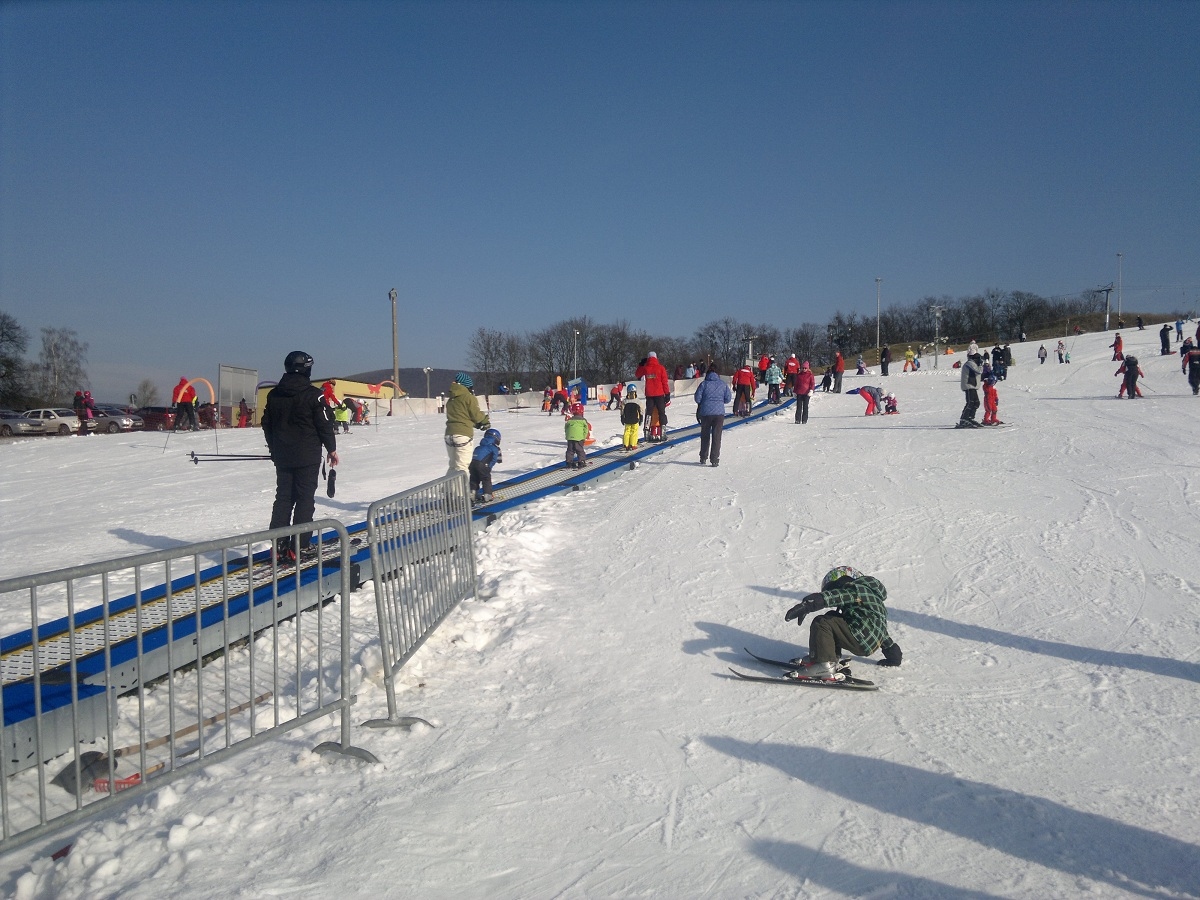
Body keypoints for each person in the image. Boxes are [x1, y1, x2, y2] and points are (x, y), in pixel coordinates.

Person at [261, 351, 338, 561]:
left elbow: (266, 424)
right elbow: (324, 424)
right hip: (307, 455)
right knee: (305, 498)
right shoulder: (314, 395)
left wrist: (274, 448)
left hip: (283, 455)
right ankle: (300, 544)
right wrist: (331, 448)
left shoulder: (274, 394)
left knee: (284, 497)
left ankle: (278, 544)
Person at [782, 566, 903, 681]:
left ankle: (824, 665)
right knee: (833, 617)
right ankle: (827, 658)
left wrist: (809, 605)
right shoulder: (873, 598)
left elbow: (840, 595)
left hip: (859, 636)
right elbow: (880, 631)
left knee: (822, 622)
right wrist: (893, 655)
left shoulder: (856, 588)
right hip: (867, 640)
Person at [445, 372, 489, 476]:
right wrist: (484, 421)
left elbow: (461, 417)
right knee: (463, 466)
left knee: (453, 465)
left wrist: (475, 424)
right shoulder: (468, 397)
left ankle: (448, 490)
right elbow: (475, 415)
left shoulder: (451, 399)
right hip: (463, 435)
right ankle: (461, 491)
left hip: (449, 434)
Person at [694, 364, 731, 467]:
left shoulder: (703, 384)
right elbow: (728, 399)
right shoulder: (722, 384)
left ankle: (703, 457)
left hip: (705, 413)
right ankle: (714, 459)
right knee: (717, 436)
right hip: (719, 414)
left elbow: (697, 398)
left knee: (705, 435)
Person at [635, 351, 671, 435]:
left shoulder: (646, 368)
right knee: (661, 412)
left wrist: (641, 365)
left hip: (649, 394)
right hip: (659, 394)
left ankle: (647, 429)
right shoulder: (661, 368)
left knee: (649, 412)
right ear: (656, 358)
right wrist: (667, 394)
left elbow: (637, 374)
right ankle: (663, 429)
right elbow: (664, 382)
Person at [470, 428, 503, 503]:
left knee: (474, 479)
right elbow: (498, 459)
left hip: (472, 464)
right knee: (486, 479)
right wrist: (489, 466)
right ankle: (487, 495)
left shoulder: (478, 447)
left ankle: (472, 494)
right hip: (483, 465)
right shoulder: (494, 448)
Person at [957, 353, 984, 427]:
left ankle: (970, 418)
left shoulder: (973, 363)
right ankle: (964, 419)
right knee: (970, 402)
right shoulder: (970, 363)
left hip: (972, 385)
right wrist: (981, 365)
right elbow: (979, 371)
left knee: (976, 403)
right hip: (969, 385)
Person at [564, 401, 589, 469]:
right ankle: (581, 461)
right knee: (579, 449)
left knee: (570, 450)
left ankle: (569, 462)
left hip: (570, 437)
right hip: (579, 438)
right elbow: (586, 429)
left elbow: (566, 427)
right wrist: (584, 437)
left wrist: (567, 435)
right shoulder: (583, 421)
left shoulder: (570, 420)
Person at [620, 385, 643, 450]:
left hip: (627, 419)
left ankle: (626, 444)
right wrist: (641, 417)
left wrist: (622, 417)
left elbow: (622, 410)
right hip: (635, 419)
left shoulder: (625, 401)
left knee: (627, 431)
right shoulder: (638, 401)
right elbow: (641, 410)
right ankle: (633, 444)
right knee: (634, 431)